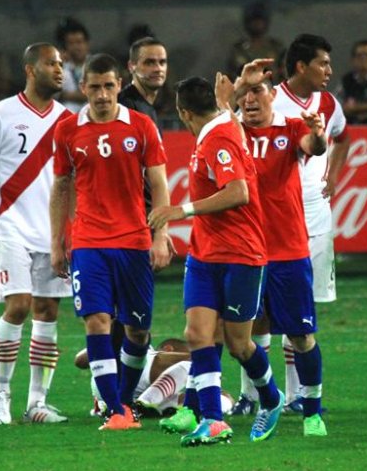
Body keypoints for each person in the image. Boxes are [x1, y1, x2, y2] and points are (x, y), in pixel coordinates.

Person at [148, 76, 284, 446]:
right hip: (205, 254)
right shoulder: (221, 127)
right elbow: (230, 120)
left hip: (241, 253)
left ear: (183, 112)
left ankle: (271, 400)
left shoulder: (219, 138)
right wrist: (229, 103)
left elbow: (238, 192)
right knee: (197, 335)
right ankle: (212, 419)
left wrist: (182, 210)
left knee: (240, 345)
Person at [49, 53, 172, 431]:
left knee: (137, 330)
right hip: (89, 242)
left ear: (119, 85)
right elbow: (61, 187)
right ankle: (115, 410)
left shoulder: (142, 127)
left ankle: (123, 400)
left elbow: (159, 185)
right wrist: (58, 243)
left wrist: (160, 235)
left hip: (134, 241)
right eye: (94, 87)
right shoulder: (67, 130)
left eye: (108, 86)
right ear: (82, 87)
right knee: (97, 321)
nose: (102, 95)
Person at [0, 43, 72, 426]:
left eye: (61, 64)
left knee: (48, 311)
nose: (59, 70)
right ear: (29, 69)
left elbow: (71, 180)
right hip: (10, 228)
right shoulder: (1, 114)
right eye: (50, 63)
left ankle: (37, 402)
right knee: (19, 304)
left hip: (52, 231)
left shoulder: (67, 121)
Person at [222, 61, 329, 436]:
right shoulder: (231, 132)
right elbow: (218, 112)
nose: (251, 100)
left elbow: (313, 146)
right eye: (245, 95)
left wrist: (317, 133)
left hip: (287, 251)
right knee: (246, 332)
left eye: (258, 93)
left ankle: (312, 409)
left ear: (273, 97)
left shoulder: (291, 127)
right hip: (245, 251)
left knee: (300, 335)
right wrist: (238, 85)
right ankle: (254, 397)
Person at [271, 33, 350, 411]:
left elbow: (343, 138)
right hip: (273, 217)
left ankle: (299, 395)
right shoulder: (269, 100)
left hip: (315, 214)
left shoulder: (329, 103)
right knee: (258, 310)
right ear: (301, 66)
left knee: (302, 310)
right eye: (322, 63)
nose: (329, 71)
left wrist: (333, 175)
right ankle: (252, 393)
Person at [74, 338, 195, 417]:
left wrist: (103, 343)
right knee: (195, 363)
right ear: (168, 349)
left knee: (188, 397)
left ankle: (138, 407)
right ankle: (144, 404)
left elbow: (79, 361)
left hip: (105, 387)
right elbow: (79, 360)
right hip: (138, 369)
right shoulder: (149, 354)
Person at [118, 37, 168, 130]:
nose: (158, 69)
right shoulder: (124, 106)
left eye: (162, 62)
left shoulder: (152, 108)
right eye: (149, 63)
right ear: (131, 66)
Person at [226, 2, 285, 80]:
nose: (257, 24)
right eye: (253, 20)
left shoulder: (276, 47)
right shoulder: (239, 49)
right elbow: (231, 75)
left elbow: (284, 73)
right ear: (247, 22)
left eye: (260, 20)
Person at [55, 17, 91, 114]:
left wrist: (65, 95)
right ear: (65, 46)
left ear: (87, 44)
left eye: (79, 42)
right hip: (67, 115)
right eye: (71, 43)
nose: (76, 47)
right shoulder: (60, 66)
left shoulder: (97, 64)